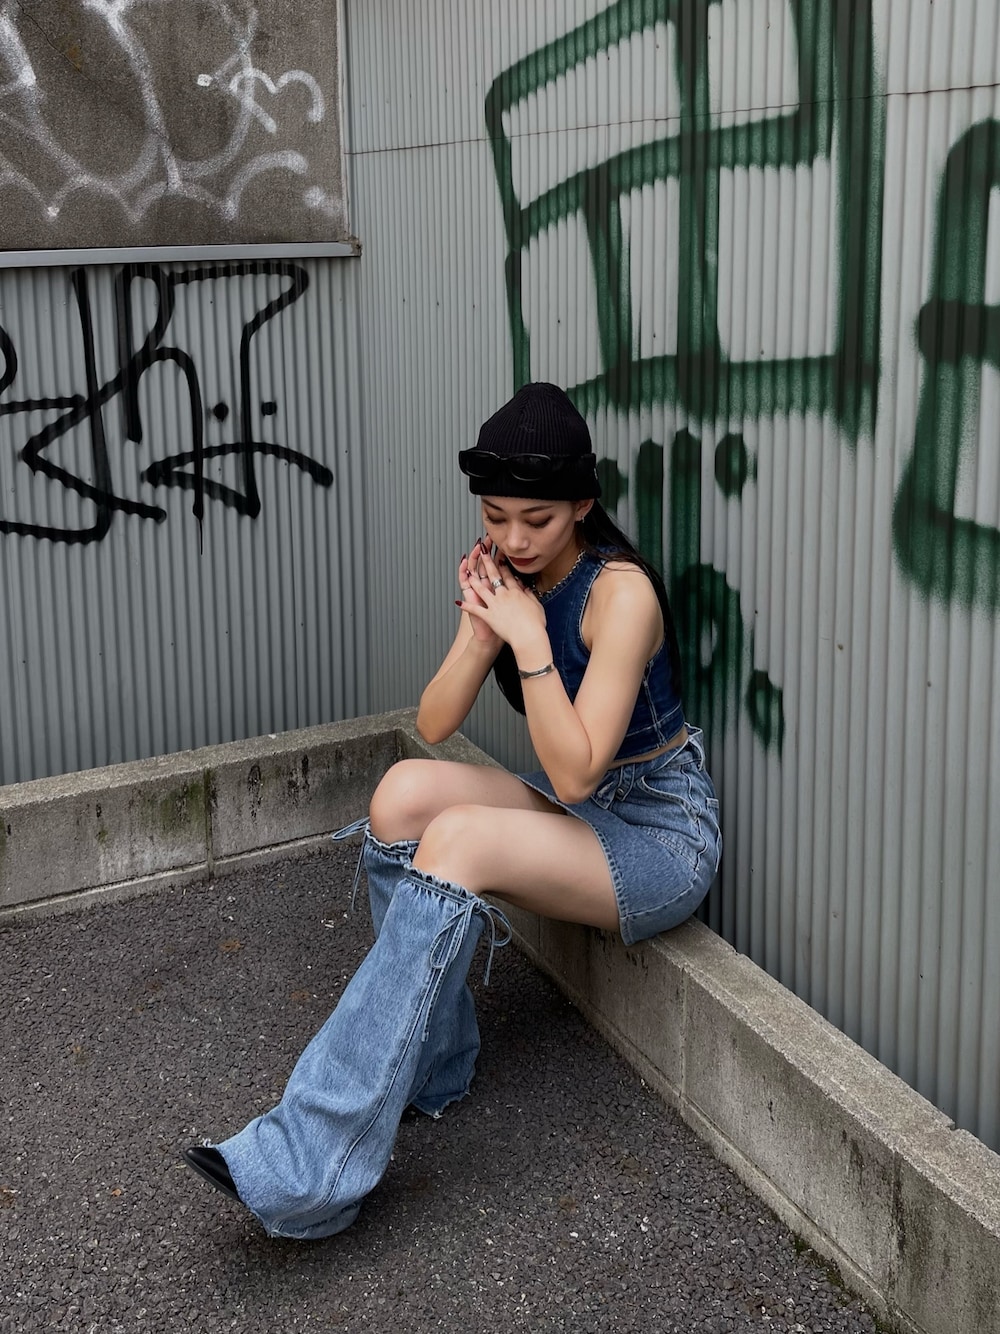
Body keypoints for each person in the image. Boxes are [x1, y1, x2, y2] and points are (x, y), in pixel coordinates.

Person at [183, 382, 721, 1239]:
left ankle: (309, 1165)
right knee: (402, 794)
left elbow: (577, 773)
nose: (514, 539)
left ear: (583, 506)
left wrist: (530, 637)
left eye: (538, 520)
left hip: (659, 833)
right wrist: (481, 634)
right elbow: (433, 723)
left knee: (461, 836)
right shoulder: (511, 577)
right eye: (495, 516)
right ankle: (432, 1065)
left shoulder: (621, 595)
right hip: (587, 812)